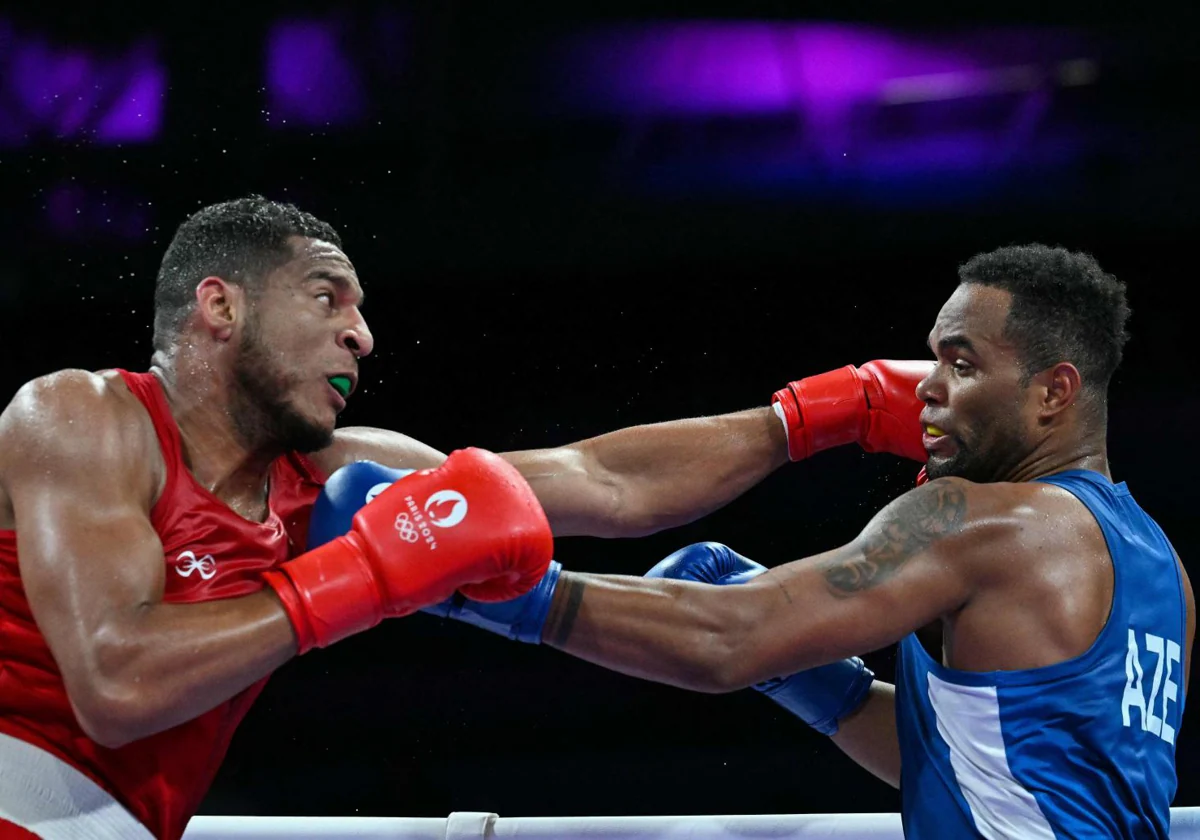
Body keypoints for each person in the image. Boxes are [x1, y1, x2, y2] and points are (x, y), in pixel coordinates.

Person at [0, 195, 930, 840]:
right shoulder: (85, 417)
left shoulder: (332, 474)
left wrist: (819, 413)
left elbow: (605, 482)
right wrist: (358, 577)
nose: (362, 335)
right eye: (329, 298)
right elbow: (116, 686)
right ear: (219, 306)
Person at [314, 245, 1193, 837]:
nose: (927, 388)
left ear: (1053, 392)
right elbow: (989, 767)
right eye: (932, 360)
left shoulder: (980, 521)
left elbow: (725, 638)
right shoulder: (1157, 564)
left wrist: (494, 587)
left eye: (962, 364)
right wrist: (826, 687)